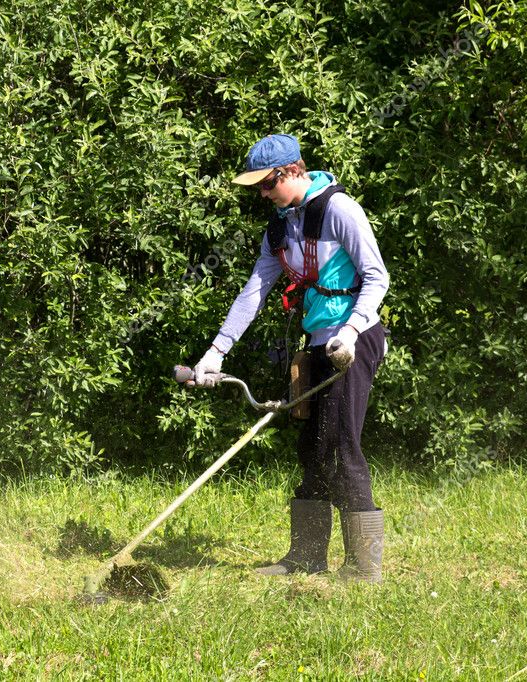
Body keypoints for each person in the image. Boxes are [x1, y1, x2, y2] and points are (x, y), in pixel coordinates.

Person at [192, 134, 389, 582]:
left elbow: (377, 278)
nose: (262, 194)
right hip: (318, 343)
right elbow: (254, 292)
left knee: (341, 445)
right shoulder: (280, 227)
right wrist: (215, 352)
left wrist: (352, 330)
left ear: (293, 171)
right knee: (313, 448)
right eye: (258, 187)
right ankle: (306, 558)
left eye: (267, 184)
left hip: (355, 340)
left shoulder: (339, 210)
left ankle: (363, 570)